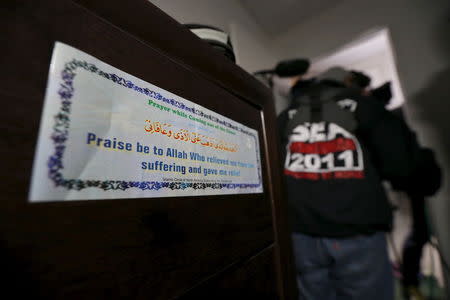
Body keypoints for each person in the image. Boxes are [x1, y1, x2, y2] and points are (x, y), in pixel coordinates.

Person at [276, 64, 423, 300]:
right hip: (356, 230)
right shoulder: (366, 107)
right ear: (348, 82)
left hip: (299, 234)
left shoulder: (286, 115)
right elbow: (402, 166)